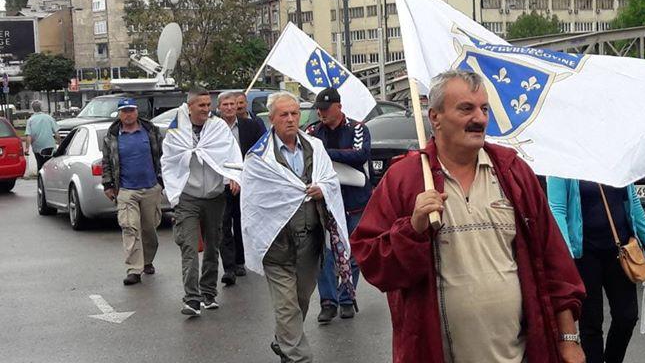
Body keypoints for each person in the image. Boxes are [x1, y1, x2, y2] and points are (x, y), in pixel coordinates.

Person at [351, 70, 587, 363]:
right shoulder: (406, 178)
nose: (480, 118)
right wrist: (412, 229)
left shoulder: (514, 173)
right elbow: (372, 262)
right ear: (435, 117)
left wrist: (569, 340)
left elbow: (554, 265)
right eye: (466, 108)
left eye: (484, 109)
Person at [240, 91, 351, 363]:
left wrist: (322, 188)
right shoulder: (259, 157)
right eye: (283, 115)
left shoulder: (315, 147)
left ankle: (283, 339)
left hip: (310, 243)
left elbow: (331, 180)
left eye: (294, 114)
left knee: (300, 300)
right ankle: (298, 357)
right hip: (277, 246)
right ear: (272, 119)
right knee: (287, 307)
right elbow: (254, 202)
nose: (290, 119)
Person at [546, 178, 645, 363]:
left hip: (620, 251)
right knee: (591, 323)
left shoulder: (616, 160)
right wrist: (566, 254)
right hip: (583, 255)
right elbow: (557, 210)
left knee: (627, 317)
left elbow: (633, 201)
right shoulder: (566, 163)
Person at [161, 88, 242, 317]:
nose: (206, 109)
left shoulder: (218, 128)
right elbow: (169, 160)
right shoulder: (176, 130)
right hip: (188, 196)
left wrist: (233, 177)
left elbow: (231, 154)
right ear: (190, 107)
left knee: (212, 245)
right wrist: (174, 190)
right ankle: (192, 299)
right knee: (188, 246)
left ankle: (208, 293)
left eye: (208, 105)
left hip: (215, 195)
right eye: (201, 105)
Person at [307, 87, 372, 323]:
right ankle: (328, 301)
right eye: (319, 109)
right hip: (324, 201)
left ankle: (346, 298)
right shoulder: (313, 131)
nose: (321, 113)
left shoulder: (357, 128)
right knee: (325, 254)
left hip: (353, 200)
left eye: (326, 109)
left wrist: (326, 153)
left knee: (352, 252)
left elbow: (359, 154)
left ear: (338, 107)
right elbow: (307, 154)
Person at [101, 98, 165, 286]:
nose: (128, 114)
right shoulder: (112, 135)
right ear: (119, 114)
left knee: (149, 229)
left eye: (131, 110)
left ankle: (147, 261)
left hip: (151, 187)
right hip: (126, 189)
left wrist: (162, 181)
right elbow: (106, 162)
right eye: (124, 111)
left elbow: (163, 156)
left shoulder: (151, 131)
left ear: (137, 112)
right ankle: (134, 269)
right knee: (130, 227)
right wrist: (108, 185)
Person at [217, 91, 265, 286]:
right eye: (225, 104)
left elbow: (260, 153)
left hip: (245, 182)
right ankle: (228, 267)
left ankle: (240, 260)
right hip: (220, 183)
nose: (230, 107)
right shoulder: (213, 128)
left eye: (232, 104)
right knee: (223, 224)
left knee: (241, 222)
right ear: (219, 107)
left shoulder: (250, 126)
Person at [24, 100, 59, 171]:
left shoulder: (30, 120)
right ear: (41, 107)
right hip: (50, 146)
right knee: (50, 165)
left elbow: (28, 136)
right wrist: (60, 143)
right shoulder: (49, 118)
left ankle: (40, 179)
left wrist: (27, 148)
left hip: (37, 147)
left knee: (40, 165)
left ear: (33, 109)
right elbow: (56, 133)